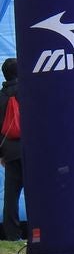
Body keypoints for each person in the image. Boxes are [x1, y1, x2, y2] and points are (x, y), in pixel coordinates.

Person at [0, 57, 23, 243]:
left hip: (9, 151)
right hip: (30, 149)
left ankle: (12, 235)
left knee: (11, 195)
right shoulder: (28, 92)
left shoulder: (1, 97)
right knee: (38, 191)